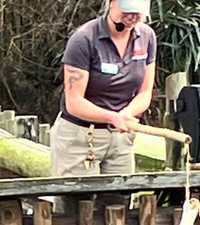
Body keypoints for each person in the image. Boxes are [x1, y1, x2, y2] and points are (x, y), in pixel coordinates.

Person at [50, 0, 157, 177]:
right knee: (77, 201)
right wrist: (111, 117)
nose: (132, 17)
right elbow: (74, 102)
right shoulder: (84, 38)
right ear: (112, 3)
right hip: (81, 135)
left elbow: (145, 92)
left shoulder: (146, 37)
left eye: (138, 12)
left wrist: (126, 113)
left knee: (118, 200)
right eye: (128, 10)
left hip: (121, 136)